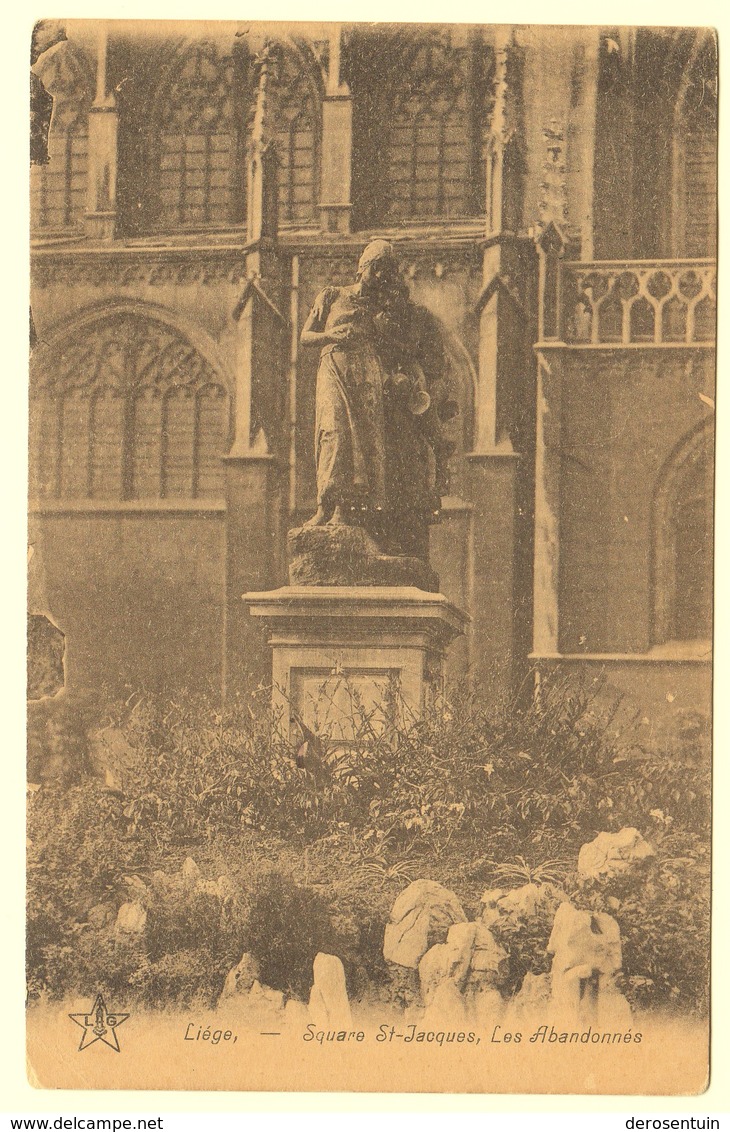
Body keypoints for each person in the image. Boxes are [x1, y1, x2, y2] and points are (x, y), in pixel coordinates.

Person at [300, 239, 455, 558]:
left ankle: (344, 512)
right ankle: (324, 506)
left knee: (363, 446)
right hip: (334, 366)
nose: (380, 277)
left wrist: (405, 376)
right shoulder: (331, 295)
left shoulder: (381, 308)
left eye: (386, 271)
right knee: (333, 435)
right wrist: (331, 336)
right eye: (376, 269)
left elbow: (401, 349)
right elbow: (306, 336)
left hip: (366, 376)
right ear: (363, 267)